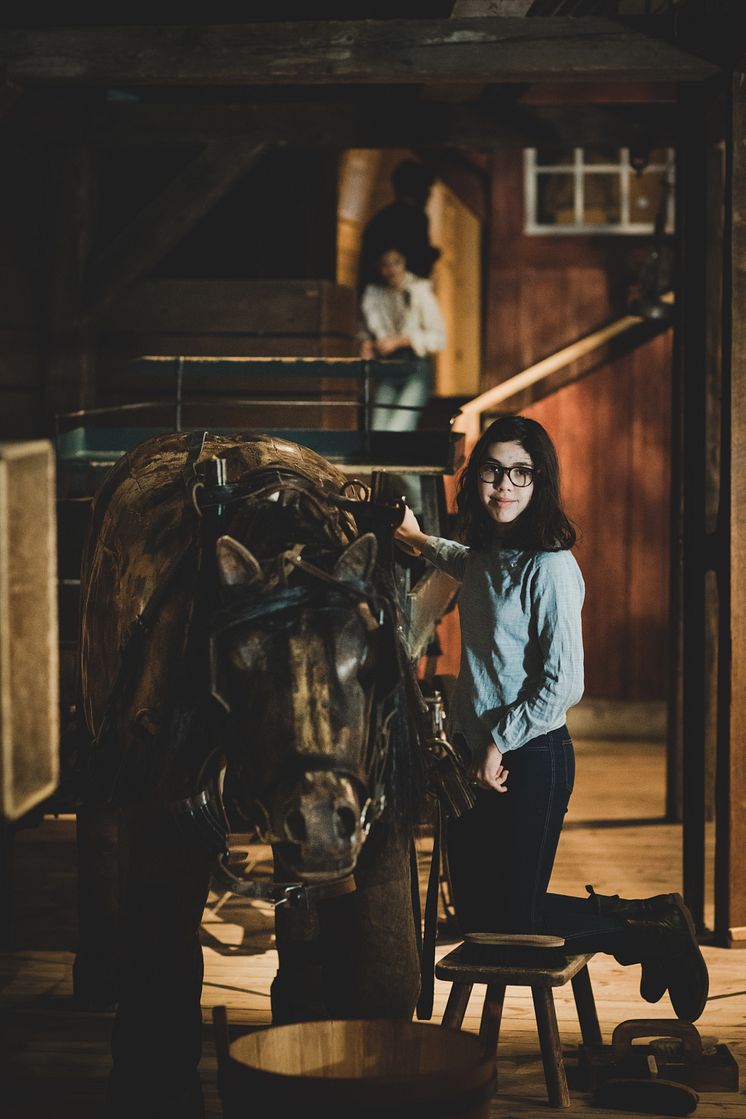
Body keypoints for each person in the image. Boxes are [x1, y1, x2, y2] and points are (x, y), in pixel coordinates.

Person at [393, 414, 709, 1022]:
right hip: (474, 755)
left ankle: (649, 926)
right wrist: (418, 540)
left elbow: (565, 683)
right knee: (482, 920)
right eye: (492, 471)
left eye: (520, 473)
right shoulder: (490, 552)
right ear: (475, 477)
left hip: (528, 756)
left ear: (541, 482)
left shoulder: (552, 567)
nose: (504, 485)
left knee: (517, 920)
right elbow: (465, 562)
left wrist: (500, 742)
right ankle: (645, 924)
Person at [358, 246, 446, 433]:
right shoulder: (374, 294)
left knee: (399, 428)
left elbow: (439, 338)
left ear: (404, 263)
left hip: (415, 367)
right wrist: (366, 344)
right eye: (385, 264)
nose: (391, 270)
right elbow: (365, 328)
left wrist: (400, 341)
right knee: (377, 430)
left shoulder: (420, 291)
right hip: (387, 367)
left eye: (396, 263)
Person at [358, 158, 441, 293]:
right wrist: (431, 254)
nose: (429, 194)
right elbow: (416, 260)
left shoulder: (379, 220)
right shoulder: (416, 218)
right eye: (426, 188)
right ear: (418, 189)